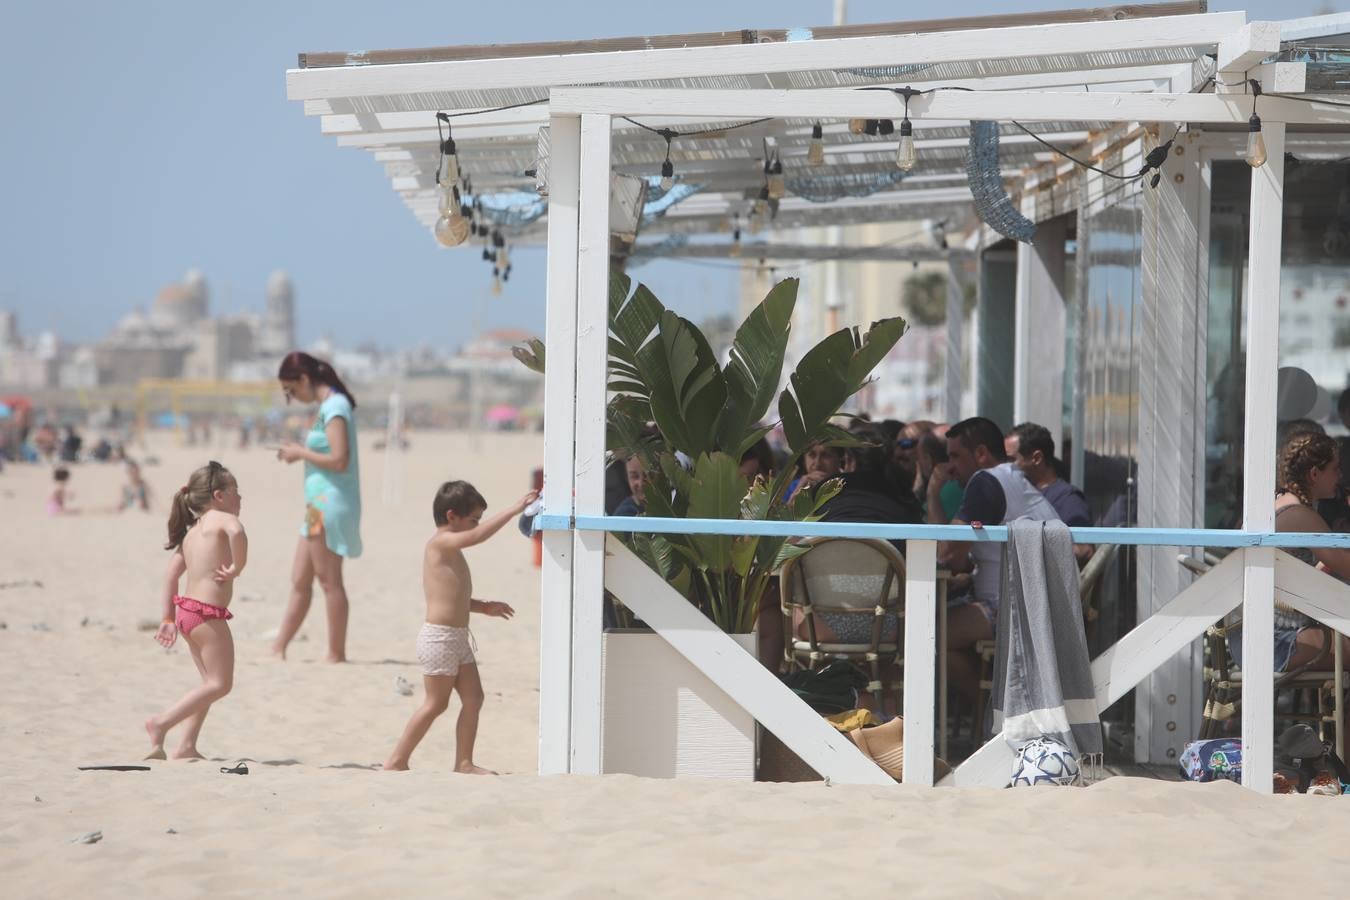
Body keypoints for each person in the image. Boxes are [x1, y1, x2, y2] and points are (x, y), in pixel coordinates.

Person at [384, 480, 536, 772]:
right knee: (436, 704)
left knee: (474, 698)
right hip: (438, 639)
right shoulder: (440, 543)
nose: (475, 525)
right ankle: (396, 760)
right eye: (472, 520)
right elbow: (478, 536)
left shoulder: (453, 550)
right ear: (452, 516)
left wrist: (484, 607)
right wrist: (516, 508)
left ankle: (464, 762)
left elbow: (454, 597)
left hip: (458, 638)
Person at [927, 416, 1059, 701]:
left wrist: (932, 495)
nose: (949, 467)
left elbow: (947, 554)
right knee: (940, 637)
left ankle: (995, 715)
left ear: (981, 454)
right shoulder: (1011, 479)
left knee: (923, 635)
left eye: (955, 456)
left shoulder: (985, 481)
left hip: (1014, 609)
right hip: (1038, 605)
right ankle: (995, 714)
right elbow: (958, 559)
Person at [144, 461, 246, 760]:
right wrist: (238, 567)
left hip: (186, 613)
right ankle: (160, 724)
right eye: (235, 492)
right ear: (218, 495)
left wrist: (167, 618)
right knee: (220, 684)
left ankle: (187, 745)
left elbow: (171, 576)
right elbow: (238, 532)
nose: (240, 498)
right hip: (206, 615)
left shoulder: (191, 533)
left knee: (208, 684)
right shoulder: (222, 520)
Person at [1227, 432, 1350, 674]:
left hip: (1253, 636)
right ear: (1315, 474)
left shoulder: (1277, 502)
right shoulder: (1300, 514)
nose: (1341, 476)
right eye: (1336, 469)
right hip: (1275, 643)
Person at [272, 352, 362, 663]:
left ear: (305, 380)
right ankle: (278, 647)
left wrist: (300, 453)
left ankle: (336, 653)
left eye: (291, 390)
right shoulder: (327, 407)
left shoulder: (336, 407)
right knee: (300, 578)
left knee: (329, 579)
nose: (292, 397)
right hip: (317, 504)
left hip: (330, 504)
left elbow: (340, 459)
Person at [1006, 422, 1093, 563]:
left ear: (1037, 458)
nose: (1005, 467)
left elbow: (1083, 550)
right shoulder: (1019, 494)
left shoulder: (1068, 499)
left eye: (1011, 459)